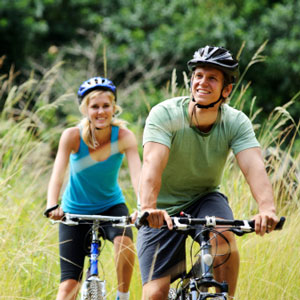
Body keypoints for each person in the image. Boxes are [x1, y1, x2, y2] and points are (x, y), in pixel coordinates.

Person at [137, 45, 279, 299]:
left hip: (205, 198)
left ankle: (225, 297)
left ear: (226, 90)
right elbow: (152, 164)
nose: (202, 83)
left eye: (212, 78)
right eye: (198, 76)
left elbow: (253, 166)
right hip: (160, 209)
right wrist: (148, 207)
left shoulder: (235, 122)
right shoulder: (165, 114)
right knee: (154, 294)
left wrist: (267, 209)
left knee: (224, 236)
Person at [45, 76, 141, 300]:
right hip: (75, 210)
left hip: (111, 206)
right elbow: (57, 174)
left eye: (106, 106)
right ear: (85, 109)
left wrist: (142, 206)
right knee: (68, 287)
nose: (101, 112)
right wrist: (52, 205)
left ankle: (123, 296)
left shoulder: (124, 137)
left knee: (125, 243)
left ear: (114, 107)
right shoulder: (72, 136)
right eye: (94, 106)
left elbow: (138, 174)